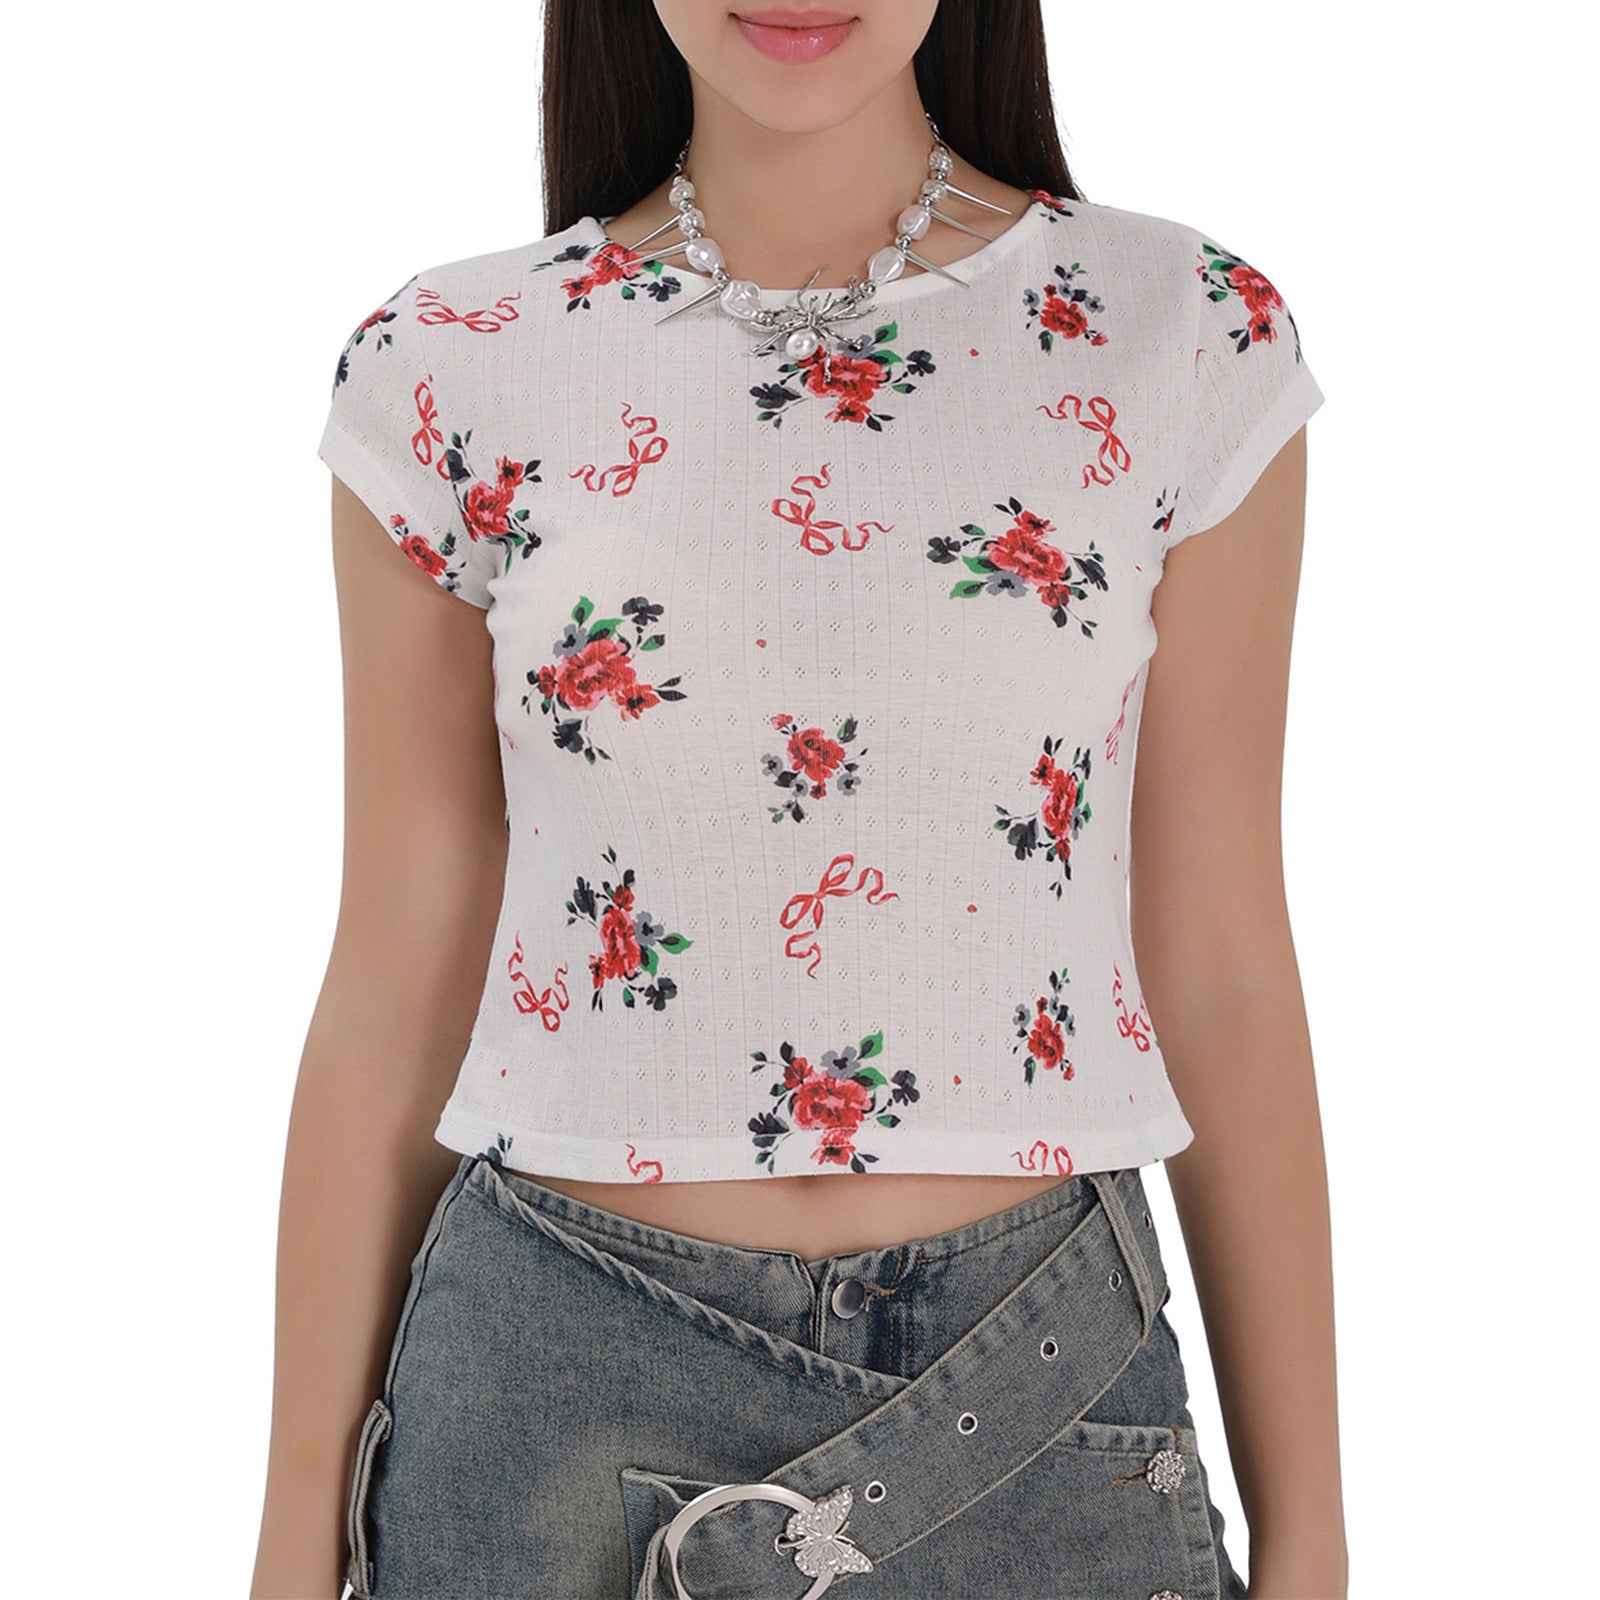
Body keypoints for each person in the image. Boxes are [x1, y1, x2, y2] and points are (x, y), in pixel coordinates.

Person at [251, 3, 1348, 1597]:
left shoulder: (1180, 332)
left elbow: (1223, 958)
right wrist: (291, 1545)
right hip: (549, 1384)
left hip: (1035, 1398)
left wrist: (1312, 1537)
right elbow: (395, 984)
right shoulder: (454, 363)